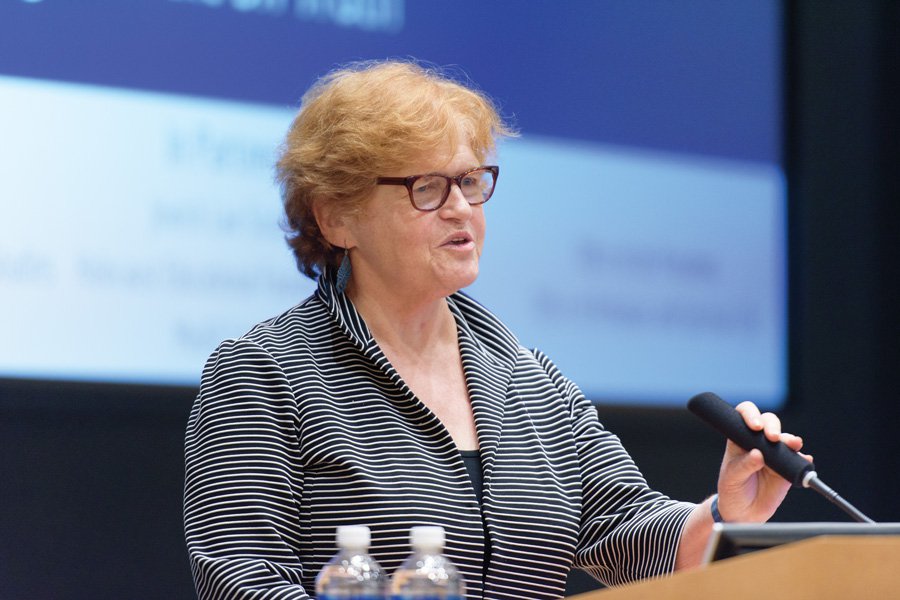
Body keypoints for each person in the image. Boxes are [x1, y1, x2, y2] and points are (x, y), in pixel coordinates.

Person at [183, 59, 806, 600]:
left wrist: (727, 512)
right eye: (426, 187)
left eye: (470, 181)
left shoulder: (527, 374)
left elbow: (626, 533)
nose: (460, 207)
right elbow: (241, 580)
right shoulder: (266, 370)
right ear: (337, 217)